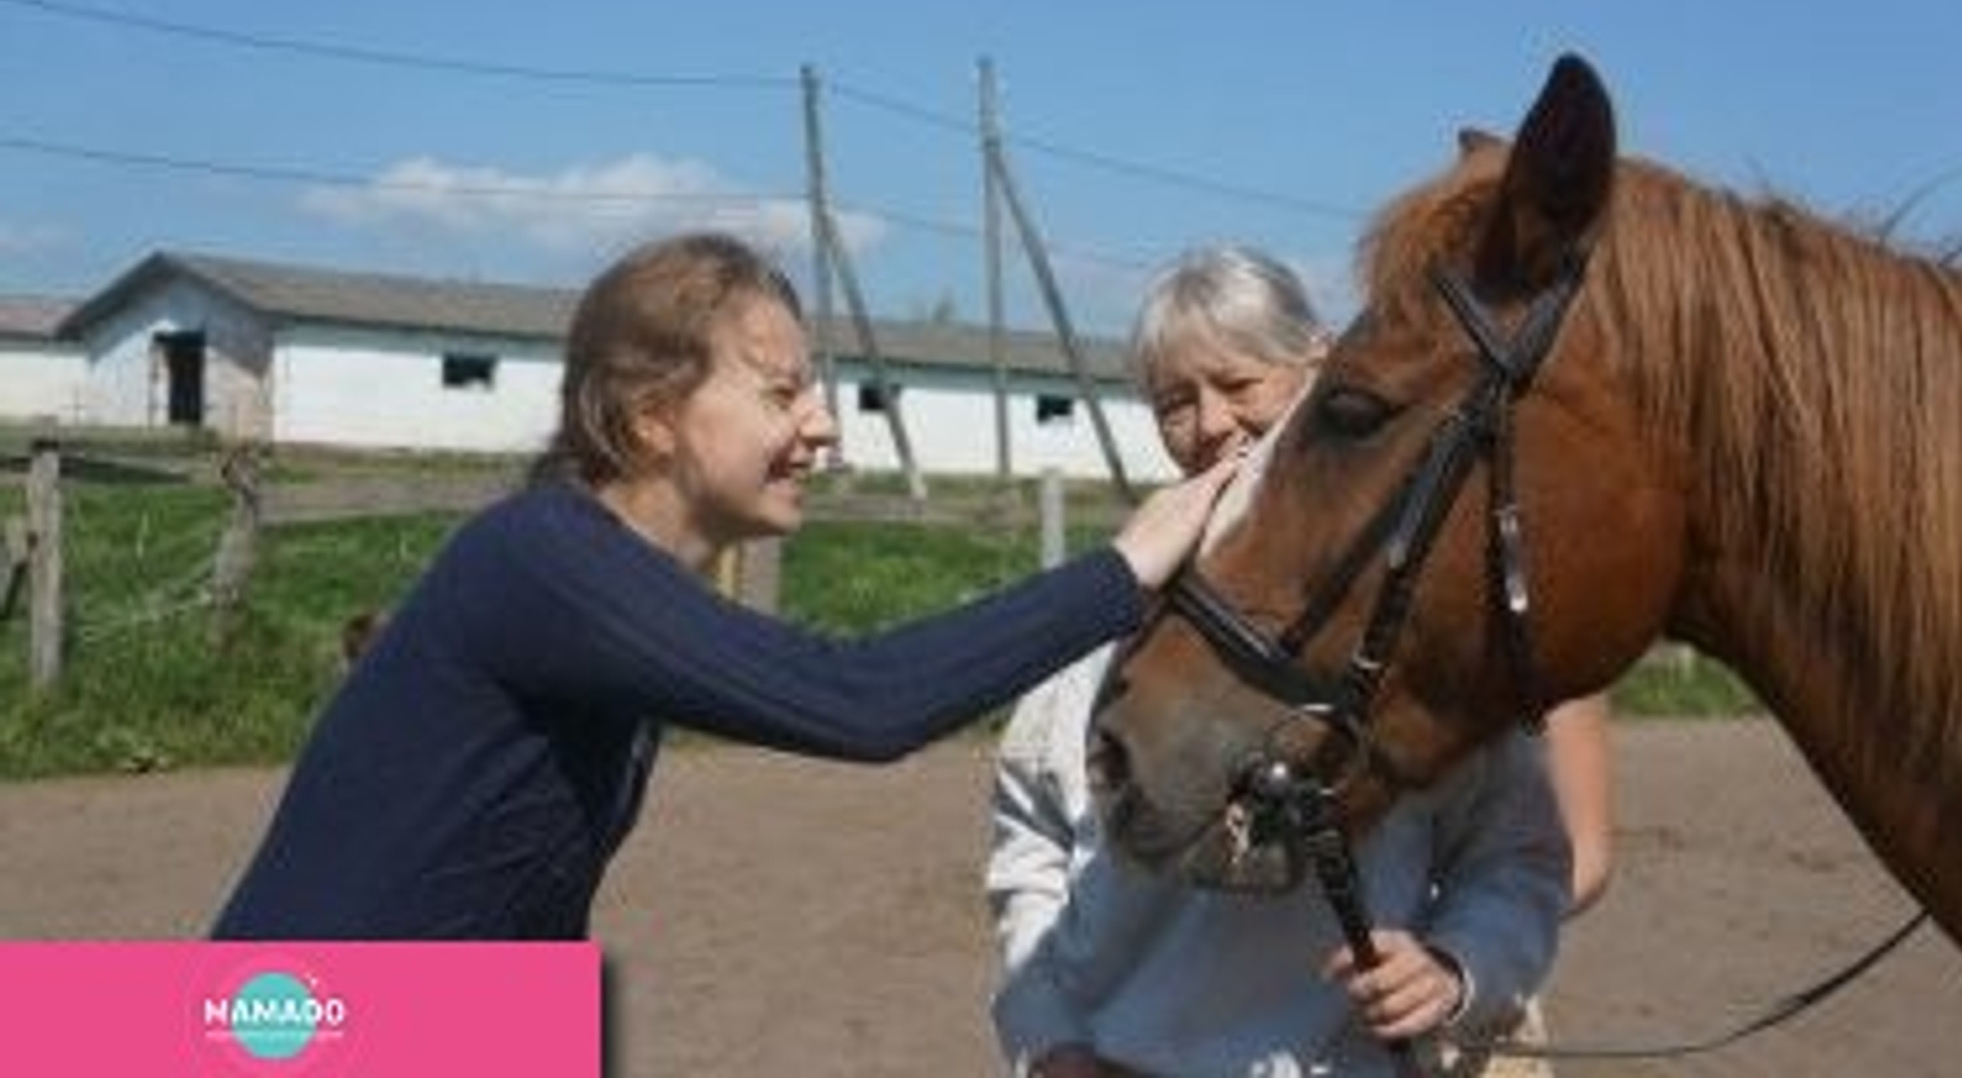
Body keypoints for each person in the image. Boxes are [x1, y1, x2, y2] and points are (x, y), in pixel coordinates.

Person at [213, 231, 1238, 940]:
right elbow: (862, 700)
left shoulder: (595, 583)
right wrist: (1123, 568)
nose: (823, 424)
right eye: (781, 392)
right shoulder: (540, 559)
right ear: (650, 413)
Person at [987, 244, 1603, 1077]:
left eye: (1239, 385)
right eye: (1174, 402)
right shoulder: (1101, 621)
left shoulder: (1409, 626)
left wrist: (1459, 967)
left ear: (1319, 371)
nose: (1208, 425)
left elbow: (1520, 855)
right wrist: (1049, 1031)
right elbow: (1033, 839)